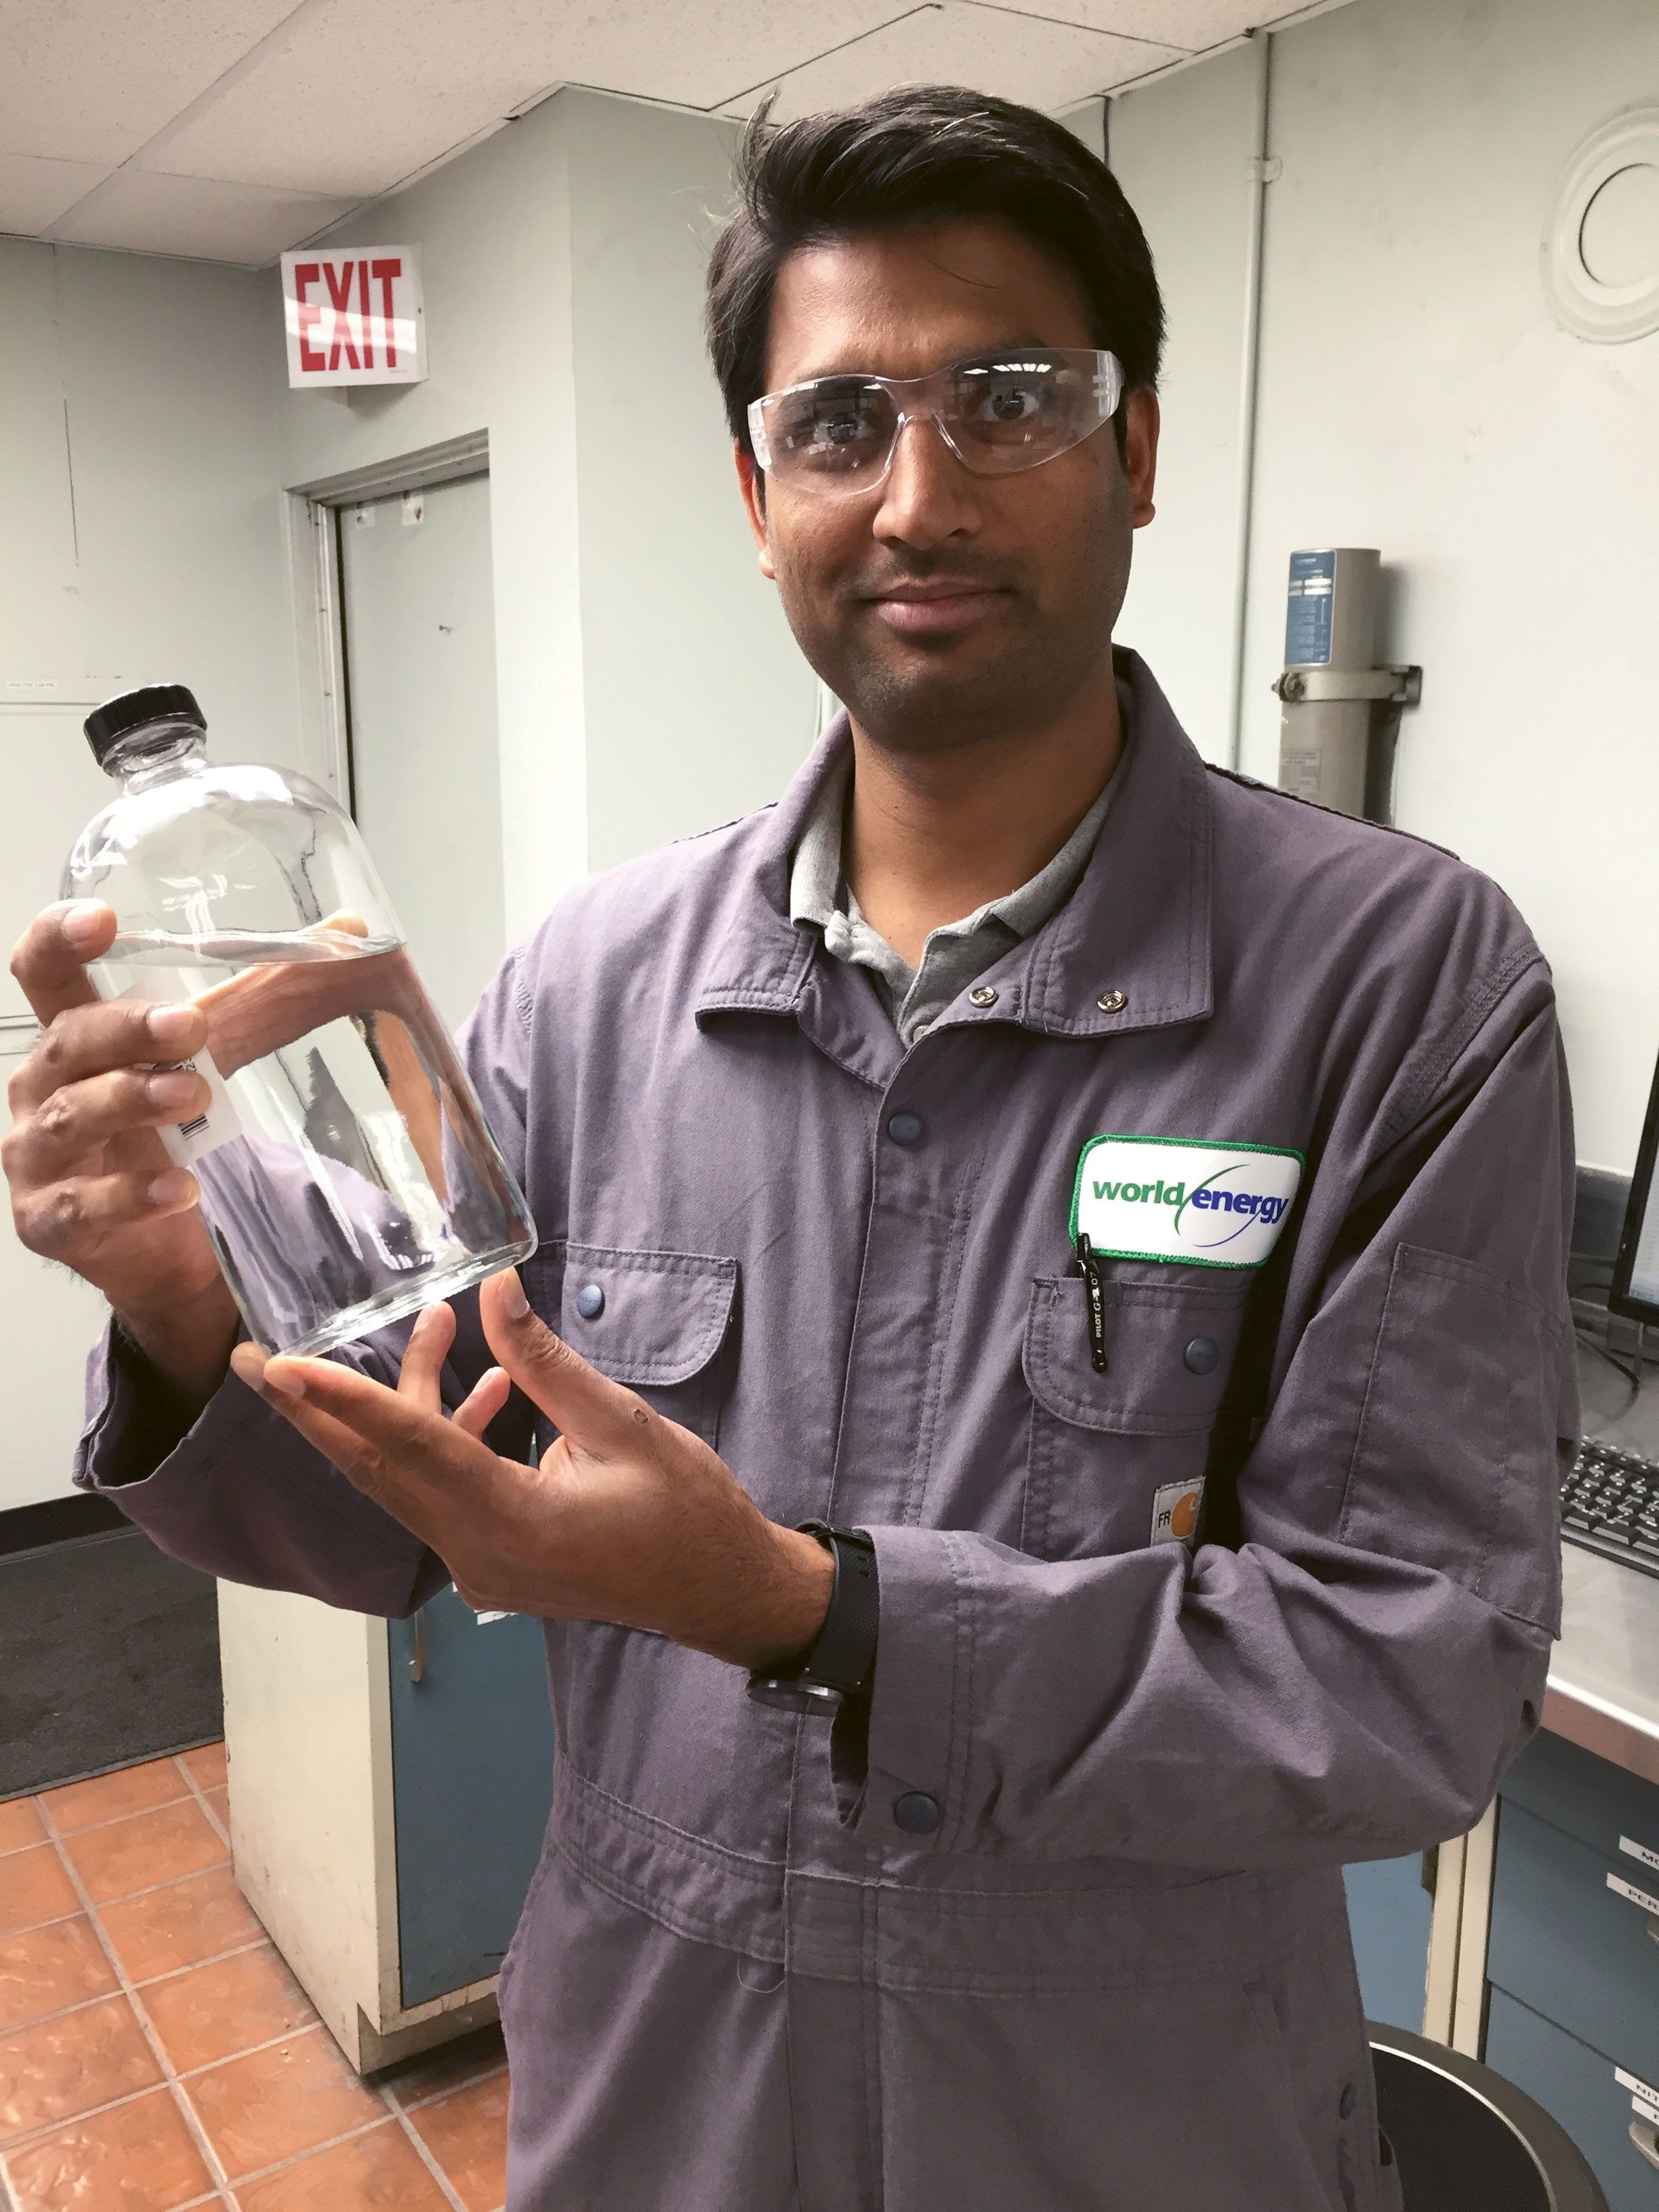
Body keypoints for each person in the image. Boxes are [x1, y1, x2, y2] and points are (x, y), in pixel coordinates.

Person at [4, 87, 1574, 2212]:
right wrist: (191, 1298)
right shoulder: (597, 982)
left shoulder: (1395, 982)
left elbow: (1410, 1682)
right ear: (756, 494)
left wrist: (805, 1611)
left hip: (1139, 2126)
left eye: (1009, 399)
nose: (921, 491)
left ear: (1136, 448)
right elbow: (404, 1515)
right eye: (839, 423)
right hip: (669, 2116)